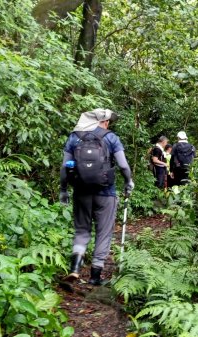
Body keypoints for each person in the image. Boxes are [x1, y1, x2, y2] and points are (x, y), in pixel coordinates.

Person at [59, 108, 134, 286]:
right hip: (106, 192)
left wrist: (63, 189)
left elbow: (64, 167)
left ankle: (75, 269)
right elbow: (123, 166)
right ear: (105, 122)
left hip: (81, 191)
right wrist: (128, 182)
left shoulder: (74, 137)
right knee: (104, 232)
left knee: (82, 231)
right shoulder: (111, 137)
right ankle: (94, 276)